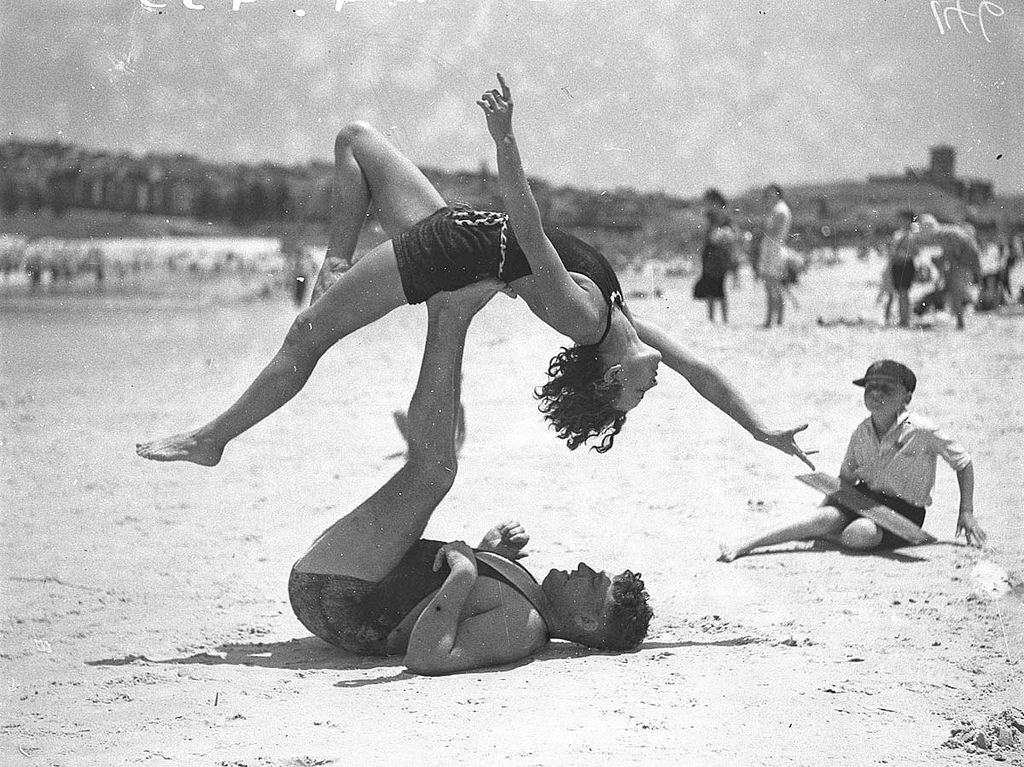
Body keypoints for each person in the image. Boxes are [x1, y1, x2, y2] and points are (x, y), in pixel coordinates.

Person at [136, 75, 812, 466]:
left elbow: (530, 228)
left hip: (455, 252)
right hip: (466, 229)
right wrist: (760, 429)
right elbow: (704, 374)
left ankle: (211, 438)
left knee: (309, 333)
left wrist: (506, 141)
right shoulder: (617, 320)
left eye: (635, 395)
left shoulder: (584, 318)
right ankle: (336, 260)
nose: (652, 384)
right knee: (354, 140)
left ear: (610, 374)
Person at [288, 281, 653, 675]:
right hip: (346, 581)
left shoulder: (526, 628)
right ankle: (449, 314)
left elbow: (427, 657)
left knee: (434, 471)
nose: (583, 567)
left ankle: (449, 313)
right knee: (434, 468)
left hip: (343, 596)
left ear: (586, 621)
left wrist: (465, 571)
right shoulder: (529, 603)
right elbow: (445, 600)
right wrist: (485, 554)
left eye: (594, 582)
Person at [718, 360, 986, 562]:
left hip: (904, 512)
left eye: (886, 388)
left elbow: (963, 462)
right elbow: (845, 480)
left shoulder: (922, 430)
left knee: (859, 534)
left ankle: (828, 533)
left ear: (906, 396)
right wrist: (822, 511)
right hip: (863, 499)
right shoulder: (862, 431)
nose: (876, 394)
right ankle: (748, 543)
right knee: (818, 519)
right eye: (870, 388)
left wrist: (967, 512)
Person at [907, 214, 981, 331]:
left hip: (963, 264)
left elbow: (954, 255)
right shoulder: (947, 232)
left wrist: (943, 269)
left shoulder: (946, 235)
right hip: (965, 264)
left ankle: (960, 323)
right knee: (954, 292)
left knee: (955, 293)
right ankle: (959, 321)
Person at [692, 188, 735, 323]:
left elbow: (731, 234)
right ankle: (711, 318)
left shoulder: (723, 216)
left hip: (719, 255)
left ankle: (723, 318)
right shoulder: (708, 216)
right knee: (709, 286)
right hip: (709, 253)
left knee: (719, 287)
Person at [757, 184, 792, 328]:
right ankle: (774, 319)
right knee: (771, 286)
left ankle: (774, 320)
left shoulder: (780, 210)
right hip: (771, 248)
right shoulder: (776, 210)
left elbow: (775, 231)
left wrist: (763, 229)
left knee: (773, 285)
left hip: (775, 249)